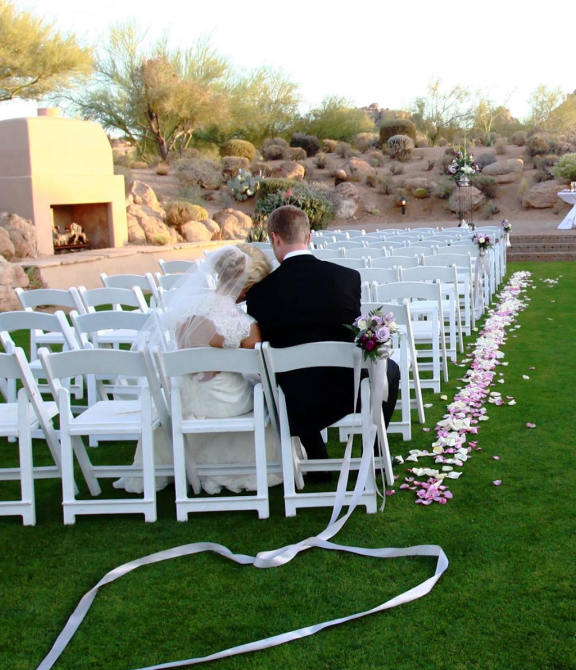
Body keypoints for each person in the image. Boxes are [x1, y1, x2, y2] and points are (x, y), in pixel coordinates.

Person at [119, 243, 282, 494]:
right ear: (248, 287)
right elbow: (259, 370)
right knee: (268, 396)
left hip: (185, 398)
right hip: (225, 403)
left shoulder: (184, 311)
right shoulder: (245, 325)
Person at [244, 206, 400, 464]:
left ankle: (317, 457)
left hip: (292, 400)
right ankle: (374, 455)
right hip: (348, 391)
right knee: (388, 369)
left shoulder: (259, 293)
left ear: (275, 238)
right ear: (308, 237)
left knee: (293, 372)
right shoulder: (346, 278)